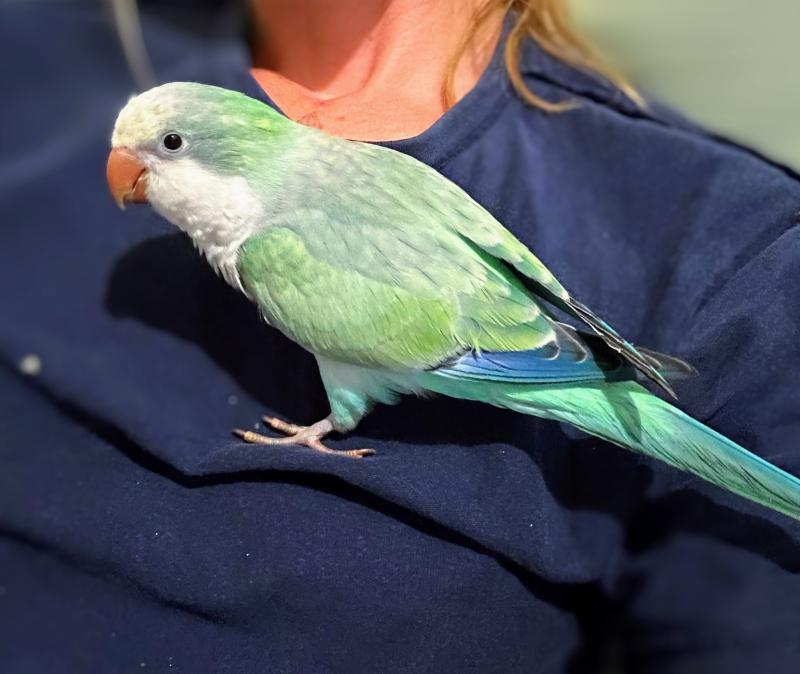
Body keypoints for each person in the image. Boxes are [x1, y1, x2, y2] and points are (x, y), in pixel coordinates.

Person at [1, 1, 798, 672]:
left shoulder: (744, 246)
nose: (133, 174)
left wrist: (326, 422)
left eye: (168, 151)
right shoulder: (43, 61)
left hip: (513, 356)